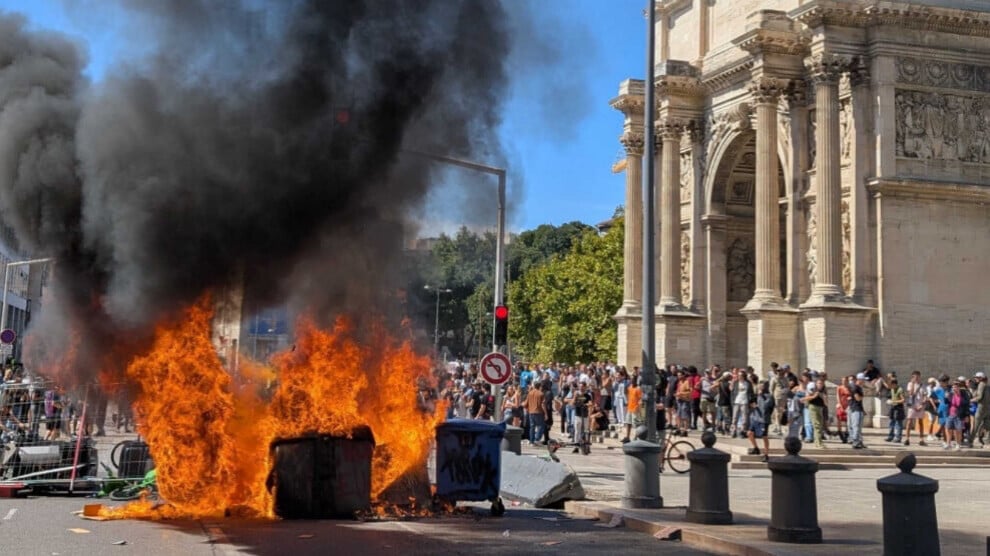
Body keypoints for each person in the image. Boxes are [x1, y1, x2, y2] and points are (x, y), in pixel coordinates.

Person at [747, 381, 773, 462]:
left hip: (764, 420)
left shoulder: (769, 396)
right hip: (755, 418)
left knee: (764, 436)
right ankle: (756, 448)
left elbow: (767, 407)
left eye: (762, 386)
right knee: (749, 433)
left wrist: (761, 396)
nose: (760, 388)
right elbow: (751, 403)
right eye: (759, 386)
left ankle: (766, 454)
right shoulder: (757, 395)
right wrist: (753, 404)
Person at [904, 371, 927, 446]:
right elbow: (910, 393)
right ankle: (907, 438)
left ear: (919, 376)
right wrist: (913, 384)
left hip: (920, 405)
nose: (916, 378)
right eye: (914, 376)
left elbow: (925, 396)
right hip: (912, 405)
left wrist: (922, 404)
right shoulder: (910, 384)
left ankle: (921, 439)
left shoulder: (923, 385)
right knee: (909, 421)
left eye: (917, 376)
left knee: (920, 422)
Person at [570, 382, 593, 453]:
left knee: (586, 431)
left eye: (582, 387)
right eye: (580, 387)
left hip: (585, 416)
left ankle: (586, 446)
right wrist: (575, 397)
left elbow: (590, 403)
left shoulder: (588, 395)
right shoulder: (576, 394)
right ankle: (576, 447)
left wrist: (586, 404)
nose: (581, 388)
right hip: (578, 415)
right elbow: (572, 404)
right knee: (577, 431)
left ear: (585, 387)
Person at [804, 378, 827, 449]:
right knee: (817, 425)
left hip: (820, 408)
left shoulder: (823, 391)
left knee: (820, 426)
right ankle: (818, 443)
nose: (820, 385)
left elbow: (826, 403)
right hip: (813, 407)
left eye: (822, 383)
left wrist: (823, 397)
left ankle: (818, 442)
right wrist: (814, 396)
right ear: (816, 384)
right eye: (819, 383)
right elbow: (807, 398)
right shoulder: (812, 390)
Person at [848, 373, 867, 449]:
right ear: (860, 380)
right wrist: (863, 395)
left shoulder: (858, 387)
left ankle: (859, 441)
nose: (864, 381)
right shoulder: (855, 387)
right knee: (856, 426)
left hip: (858, 409)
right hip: (856, 409)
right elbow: (857, 398)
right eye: (863, 380)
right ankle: (855, 441)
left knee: (858, 426)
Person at [971, 372, 989, 447]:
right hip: (988, 408)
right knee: (988, 426)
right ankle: (987, 442)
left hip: (981, 407)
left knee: (976, 425)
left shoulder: (981, 384)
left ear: (980, 378)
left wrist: (971, 400)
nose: (975, 379)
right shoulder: (987, 385)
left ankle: (970, 441)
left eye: (976, 377)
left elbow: (979, 397)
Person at [885, 377, 906, 443]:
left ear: (894, 384)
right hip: (893, 408)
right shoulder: (892, 389)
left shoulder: (900, 390)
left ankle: (898, 437)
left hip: (899, 408)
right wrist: (890, 401)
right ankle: (891, 436)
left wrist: (894, 401)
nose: (890, 387)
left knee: (898, 423)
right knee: (891, 422)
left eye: (891, 385)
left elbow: (903, 400)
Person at [622, 377, 642, 443]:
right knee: (628, 423)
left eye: (633, 381)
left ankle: (637, 437)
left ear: (636, 381)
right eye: (631, 380)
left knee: (636, 424)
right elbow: (627, 394)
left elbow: (640, 399)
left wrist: (638, 408)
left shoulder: (638, 389)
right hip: (629, 408)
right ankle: (627, 437)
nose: (632, 382)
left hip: (635, 409)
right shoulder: (630, 387)